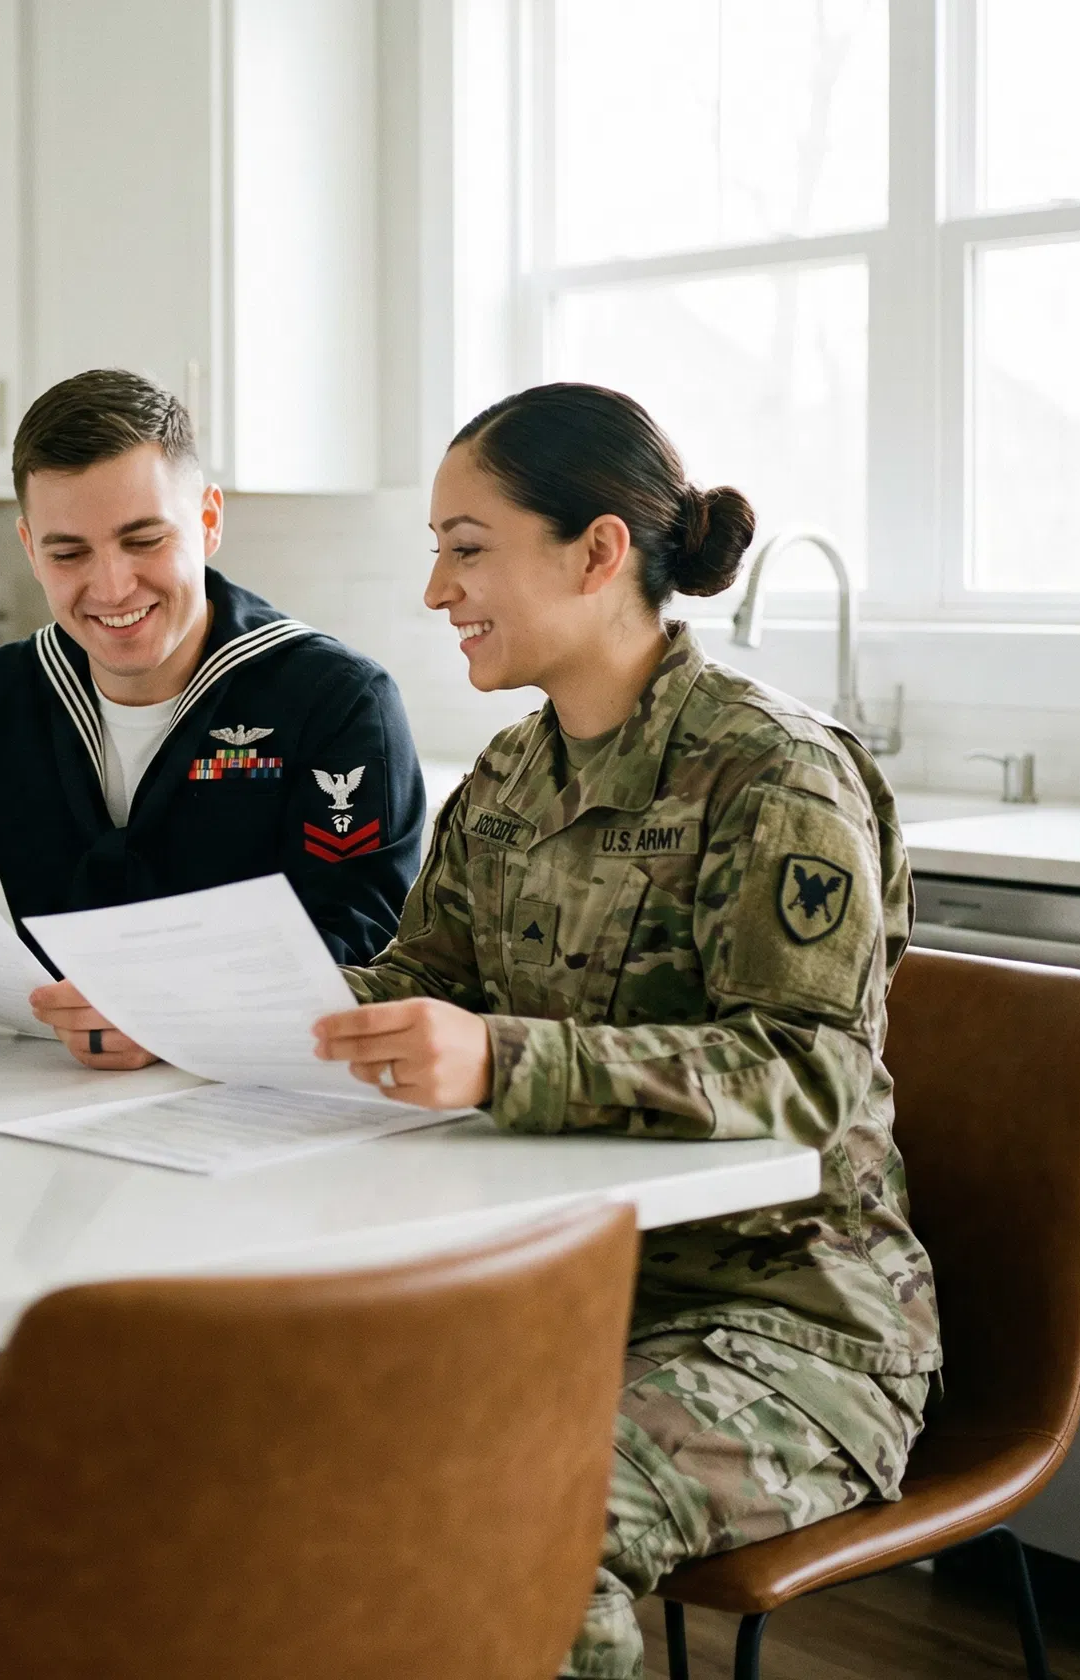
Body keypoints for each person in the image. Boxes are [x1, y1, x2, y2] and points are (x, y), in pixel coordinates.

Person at [311, 382, 940, 1680]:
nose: (437, 590)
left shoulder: (773, 774)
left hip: (784, 1319)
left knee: (526, 1519)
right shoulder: (503, 782)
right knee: (289, 1453)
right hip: (562, 1284)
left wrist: (500, 1057)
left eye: (467, 546)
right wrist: (192, 1011)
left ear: (598, 552)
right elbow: (412, 980)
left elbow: (807, 1075)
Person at [0, 368, 427, 1070]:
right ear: (30, 549)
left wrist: (178, 1012)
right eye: (69, 552)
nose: (112, 586)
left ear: (209, 521)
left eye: (144, 540)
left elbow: (373, 949)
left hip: (259, 1106)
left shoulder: (335, 700)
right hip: (45, 1099)